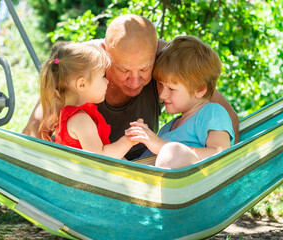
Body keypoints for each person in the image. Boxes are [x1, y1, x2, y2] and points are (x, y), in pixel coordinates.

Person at [22, 14, 239, 160]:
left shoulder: (168, 61)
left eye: (145, 70)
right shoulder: (86, 65)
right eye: (124, 71)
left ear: (155, 54)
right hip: (94, 173)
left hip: (136, 171)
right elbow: (33, 130)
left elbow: (227, 116)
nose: (135, 81)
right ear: (106, 54)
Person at [125, 36, 234, 168]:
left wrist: (161, 146)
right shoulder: (168, 128)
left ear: (199, 89)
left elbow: (221, 155)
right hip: (146, 180)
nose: (162, 94)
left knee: (171, 152)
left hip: (185, 185)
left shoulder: (212, 113)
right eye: (160, 85)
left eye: (171, 88)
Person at [39, 42, 135, 159]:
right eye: (102, 76)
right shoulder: (80, 120)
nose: (107, 81)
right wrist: (130, 140)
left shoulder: (71, 115)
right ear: (82, 84)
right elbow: (101, 157)